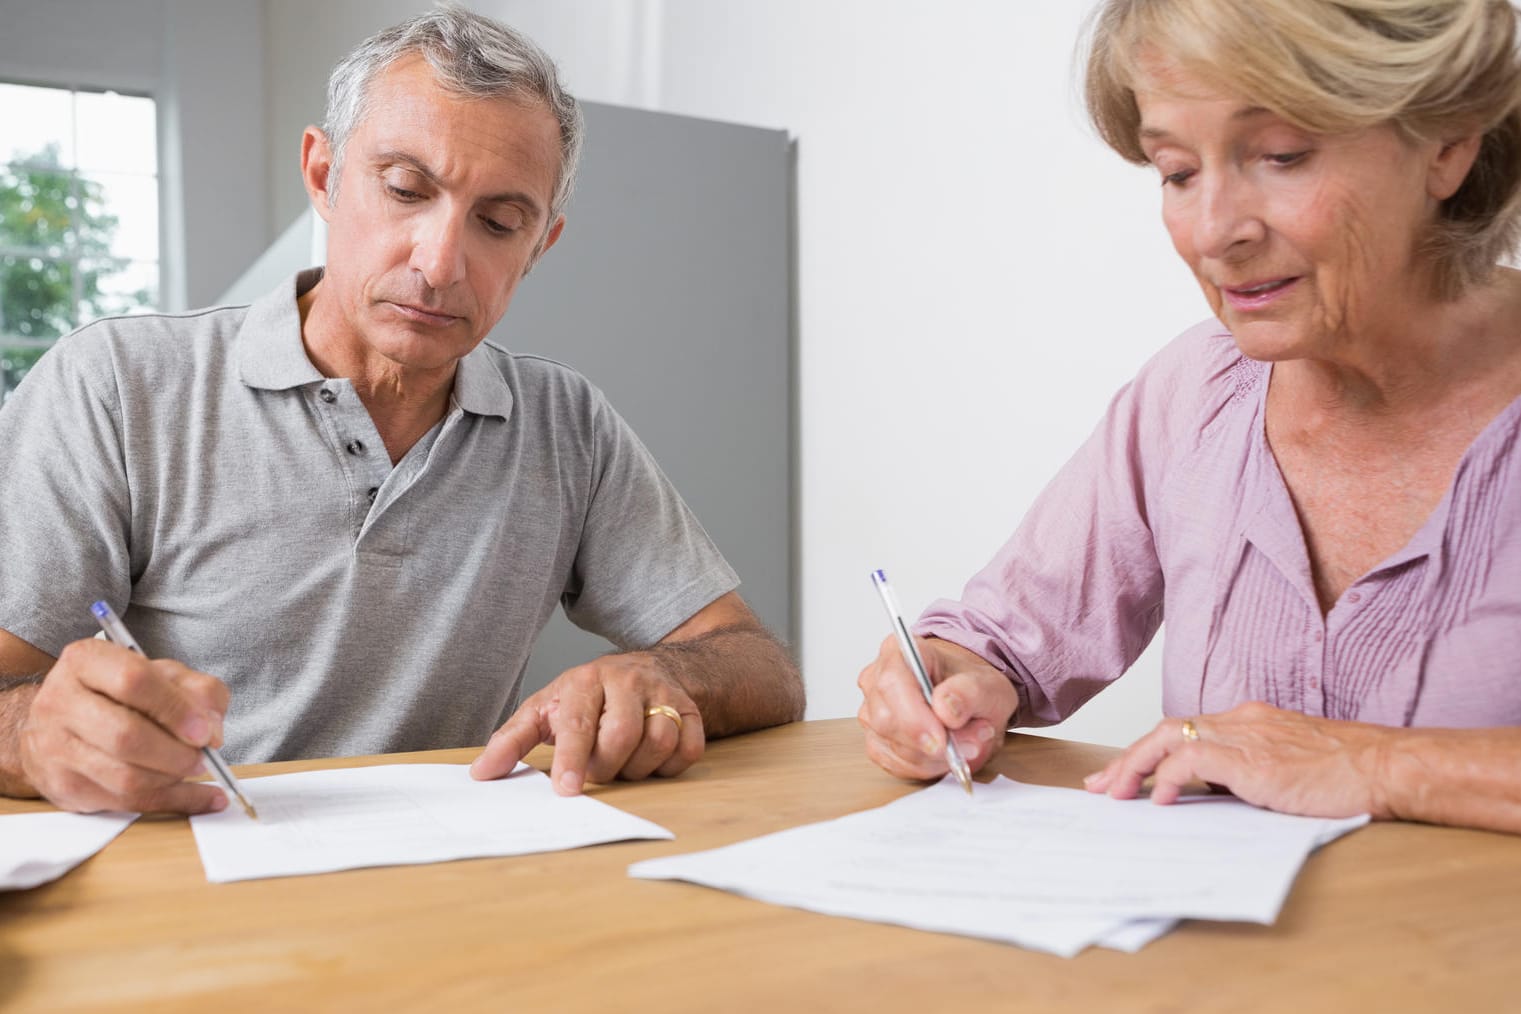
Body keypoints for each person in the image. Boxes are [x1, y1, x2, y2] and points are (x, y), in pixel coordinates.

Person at [0, 6, 802, 815]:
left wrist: (665, 675)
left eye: (498, 223)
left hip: (447, 892)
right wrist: (34, 731)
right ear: (322, 175)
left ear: (540, 247)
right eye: (405, 189)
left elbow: (761, 667)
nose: (441, 262)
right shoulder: (117, 385)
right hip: (193, 885)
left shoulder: (567, 425)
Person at [858, 0, 1521, 833]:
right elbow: (1005, 644)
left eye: (1281, 156)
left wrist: (1373, 765)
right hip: (1234, 957)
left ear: (1448, 142)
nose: (1212, 233)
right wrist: (950, 684)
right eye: (1175, 172)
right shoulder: (1196, 392)